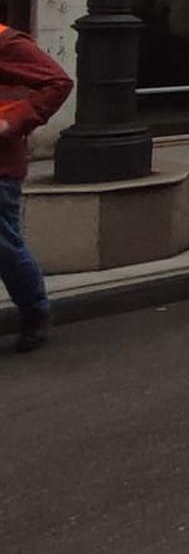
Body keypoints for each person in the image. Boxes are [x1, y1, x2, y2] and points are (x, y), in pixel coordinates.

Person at [0, 22, 74, 353]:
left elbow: (58, 82)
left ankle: (34, 310)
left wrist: (11, 120)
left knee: (5, 246)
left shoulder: (6, 41)